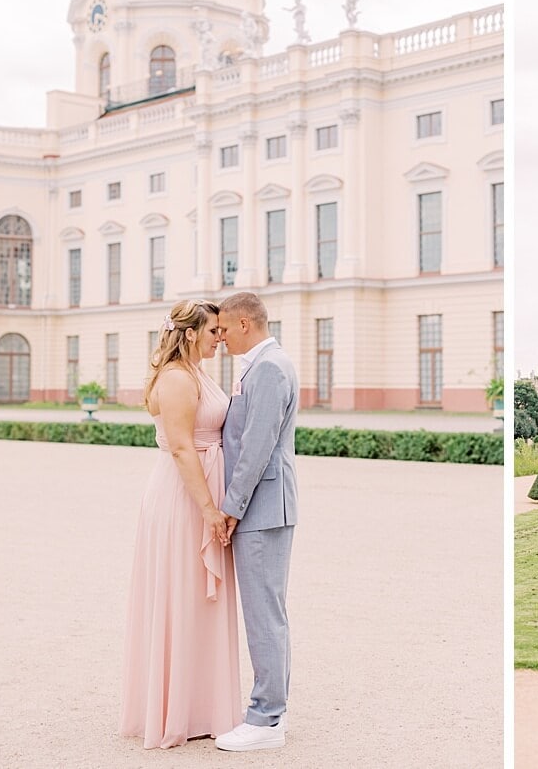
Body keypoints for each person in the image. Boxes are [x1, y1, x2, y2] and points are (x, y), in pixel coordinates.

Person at [119, 299, 240, 749]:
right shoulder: (175, 379)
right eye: (213, 332)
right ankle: (178, 711)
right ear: (190, 333)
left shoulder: (198, 374)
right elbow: (182, 448)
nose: (220, 339)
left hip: (201, 490)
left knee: (198, 602)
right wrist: (210, 509)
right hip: (183, 498)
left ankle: (202, 705)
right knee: (182, 596)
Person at [214, 292, 299, 752]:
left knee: (264, 615)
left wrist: (230, 507)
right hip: (266, 505)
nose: (221, 336)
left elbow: (256, 447)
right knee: (269, 612)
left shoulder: (268, 368)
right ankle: (270, 713)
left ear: (245, 324)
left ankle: (266, 718)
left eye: (224, 328)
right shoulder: (266, 363)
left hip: (263, 507)